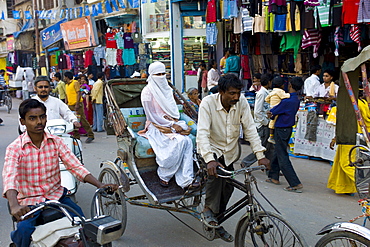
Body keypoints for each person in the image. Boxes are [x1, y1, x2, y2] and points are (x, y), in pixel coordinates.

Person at [2, 99, 118, 247]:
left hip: (57, 197)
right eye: (32, 118)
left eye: (42, 117)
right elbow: (10, 176)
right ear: (22, 121)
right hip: (29, 202)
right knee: (24, 231)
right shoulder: (15, 148)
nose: (39, 122)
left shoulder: (55, 142)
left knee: (82, 224)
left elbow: (75, 166)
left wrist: (99, 184)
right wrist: (14, 205)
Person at [196, 73, 269, 242]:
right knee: (215, 179)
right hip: (212, 150)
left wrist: (260, 154)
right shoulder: (208, 103)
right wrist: (209, 159)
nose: (236, 97)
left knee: (228, 187)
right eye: (231, 93)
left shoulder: (241, 102)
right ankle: (207, 210)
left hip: (229, 153)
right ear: (221, 92)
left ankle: (217, 219)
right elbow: (203, 133)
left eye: (238, 93)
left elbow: (250, 128)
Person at [139, 62, 197, 189]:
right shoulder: (147, 92)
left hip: (171, 123)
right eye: (157, 74)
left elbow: (173, 110)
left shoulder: (168, 90)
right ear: (151, 75)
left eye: (162, 74)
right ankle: (164, 175)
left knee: (187, 142)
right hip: (156, 126)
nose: (161, 77)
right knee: (180, 141)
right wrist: (171, 125)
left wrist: (175, 124)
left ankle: (186, 180)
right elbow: (152, 116)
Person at [327, 89, 370, 194]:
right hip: (358, 136)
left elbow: (345, 122)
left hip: (350, 136)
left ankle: (366, 186)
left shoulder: (353, 105)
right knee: (341, 161)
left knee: (347, 163)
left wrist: (335, 138)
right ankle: (344, 187)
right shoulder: (363, 103)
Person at [266, 77, 304, 193]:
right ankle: (273, 176)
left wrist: (270, 114)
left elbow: (273, 111)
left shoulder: (287, 101)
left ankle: (294, 182)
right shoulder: (296, 99)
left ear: (291, 86)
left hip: (281, 128)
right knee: (278, 151)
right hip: (287, 128)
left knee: (282, 155)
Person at [242, 74, 275, 167]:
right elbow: (257, 112)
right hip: (262, 124)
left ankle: (270, 167)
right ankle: (246, 162)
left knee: (269, 147)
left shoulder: (266, 92)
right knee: (262, 147)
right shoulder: (262, 93)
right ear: (269, 82)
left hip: (265, 122)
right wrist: (265, 121)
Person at [64, 71, 95, 143]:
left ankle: (90, 135)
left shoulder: (75, 82)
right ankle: (76, 136)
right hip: (70, 105)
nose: (64, 78)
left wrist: (77, 103)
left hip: (77, 104)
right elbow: (67, 95)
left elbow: (78, 93)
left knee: (82, 120)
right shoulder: (66, 85)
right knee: (73, 121)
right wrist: (66, 103)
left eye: (65, 77)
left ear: (67, 77)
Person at [265, 77, 291, 144]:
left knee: (272, 121)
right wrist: (290, 94)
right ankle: (271, 137)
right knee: (275, 121)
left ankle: (271, 136)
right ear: (282, 85)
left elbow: (266, 99)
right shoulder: (280, 91)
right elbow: (285, 96)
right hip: (277, 107)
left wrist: (270, 102)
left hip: (272, 107)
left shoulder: (272, 91)